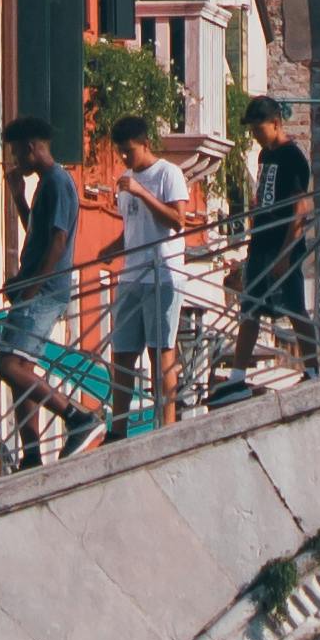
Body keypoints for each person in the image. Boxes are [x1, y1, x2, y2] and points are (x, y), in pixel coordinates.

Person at [0, 117, 87, 463]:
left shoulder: (58, 183)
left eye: (17, 152)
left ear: (32, 147)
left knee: (8, 365)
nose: (16, 160)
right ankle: (31, 455)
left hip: (44, 290)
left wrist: (32, 288)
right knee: (21, 367)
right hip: (34, 288)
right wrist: (19, 199)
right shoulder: (44, 185)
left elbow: (59, 241)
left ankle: (76, 417)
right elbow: (38, 236)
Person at [101, 121, 195, 429]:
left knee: (160, 351)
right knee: (123, 353)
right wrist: (112, 249)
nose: (124, 159)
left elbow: (178, 220)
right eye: (120, 153)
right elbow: (133, 228)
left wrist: (142, 192)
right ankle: (119, 427)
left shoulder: (168, 173)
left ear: (144, 144)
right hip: (131, 276)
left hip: (163, 275)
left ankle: (165, 423)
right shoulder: (125, 180)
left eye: (128, 151)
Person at [221, 100, 316, 386]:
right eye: (251, 129)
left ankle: (313, 370)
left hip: (281, 245)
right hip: (260, 243)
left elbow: (301, 208)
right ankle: (237, 377)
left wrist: (286, 253)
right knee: (250, 309)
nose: (254, 134)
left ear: (275, 123)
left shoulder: (293, 158)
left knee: (294, 308)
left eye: (258, 128)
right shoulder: (264, 155)